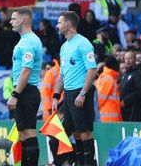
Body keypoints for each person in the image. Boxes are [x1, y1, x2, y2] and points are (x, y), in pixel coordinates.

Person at [53, 11, 98, 166]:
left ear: (68, 24)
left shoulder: (83, 43)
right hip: (68, 95)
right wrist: (55, 96)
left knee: (85, 132)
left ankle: (88, 163)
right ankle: (77, 161)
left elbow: (92, 70)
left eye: (59, 22)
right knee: (63, 134)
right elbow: (62, 74)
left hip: (80, 92)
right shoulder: (64, 47)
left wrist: (83, 93)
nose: (57, 25)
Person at [7, 7, 43, 166]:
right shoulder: (25, 40)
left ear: (23, 20)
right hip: (25, 91)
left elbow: (27, 70)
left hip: (26, 91)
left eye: (13, 19)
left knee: (28, 133)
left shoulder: (29, 41)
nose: (10, 21)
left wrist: (15, 94)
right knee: (23, 134)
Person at [95, 56, 122, 123]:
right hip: (108, 119)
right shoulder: (109, 79)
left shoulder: (105, 77)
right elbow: (99, 100)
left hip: (106, 117)